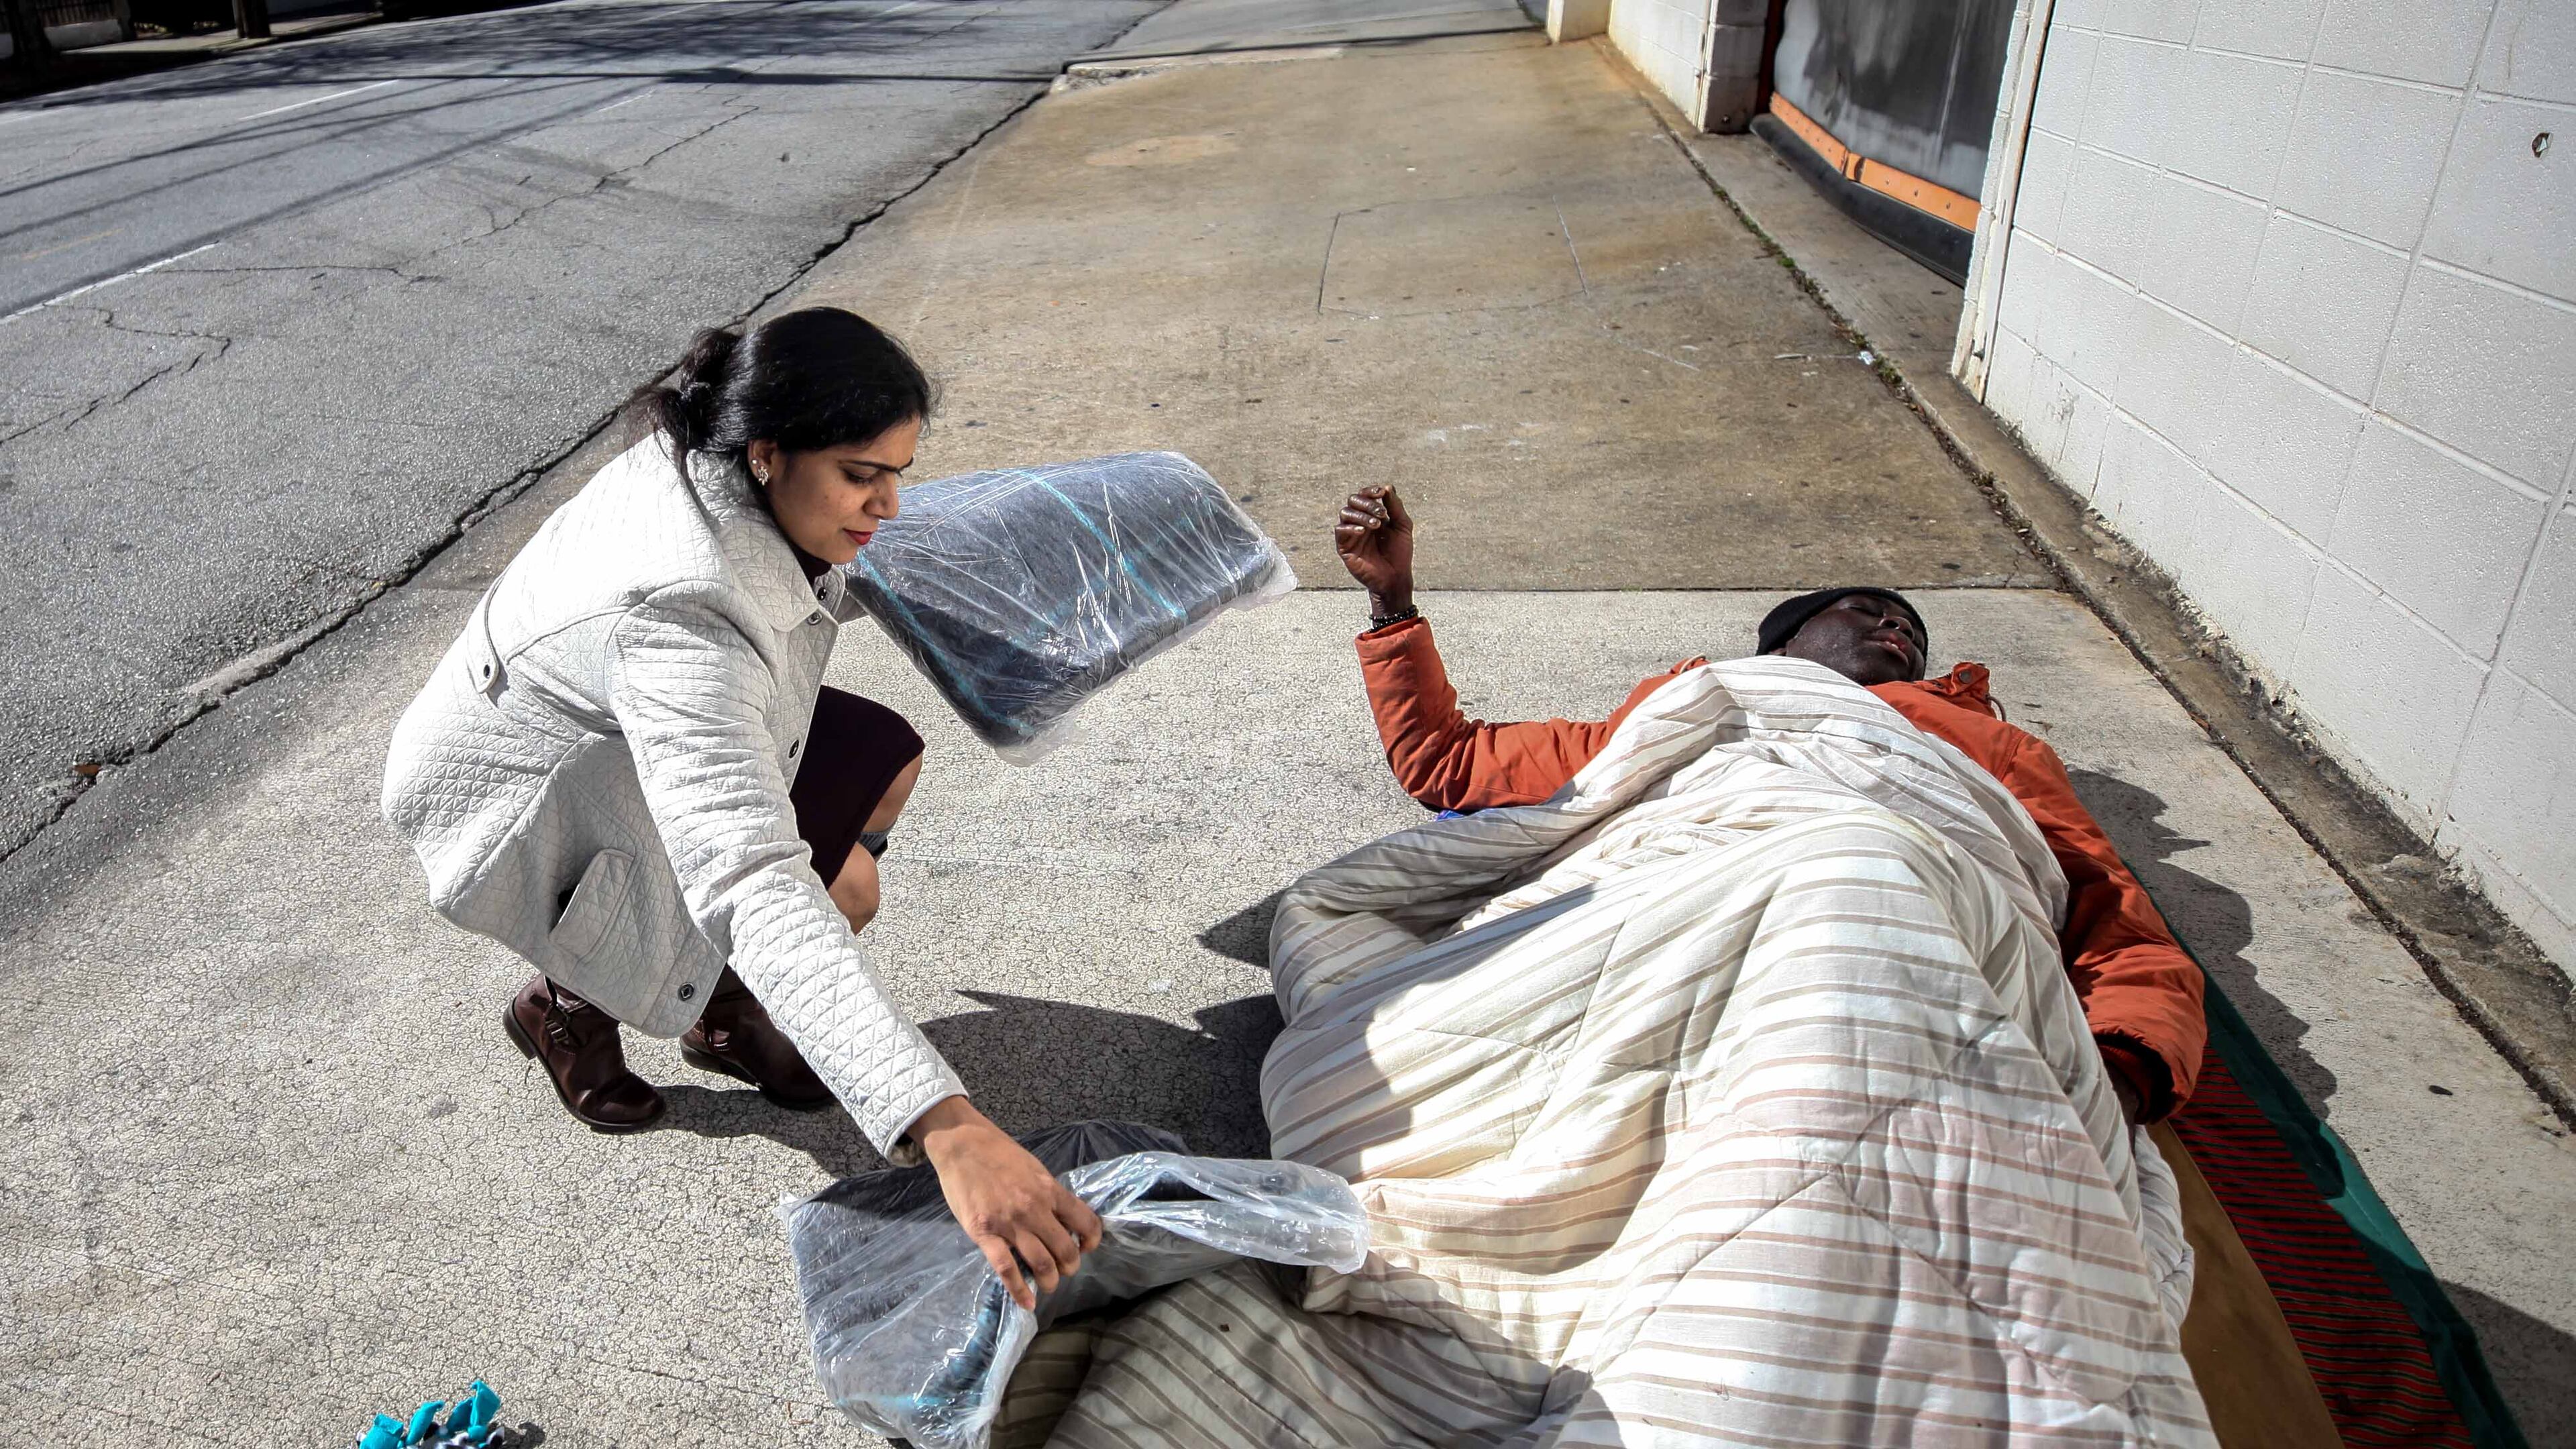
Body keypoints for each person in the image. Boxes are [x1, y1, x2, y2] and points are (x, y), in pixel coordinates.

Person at [383, 307, 1097, 1307]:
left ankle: (718, 1015)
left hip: (642, 724)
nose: (889, 504)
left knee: (885, 767)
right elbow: (751, 877)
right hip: (528, 795)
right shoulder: (680, 609)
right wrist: (948, 1126)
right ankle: (565, 1002)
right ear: (768, 454)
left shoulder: (720, 452)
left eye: (901, 471)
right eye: (863, 475)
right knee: (833, 890)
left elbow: (830, 573)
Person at [1332, 484, 2204, 1122]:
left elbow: (2112, 915)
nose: (1898, 628)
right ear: (1787, 644)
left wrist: (2123, 1068)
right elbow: (1449, 763)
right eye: (1868, 611)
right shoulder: (1695, 702)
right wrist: (1390, 598)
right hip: (1690, 892)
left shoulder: (1993, 746)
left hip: (1902, 906)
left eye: (1912, 632)